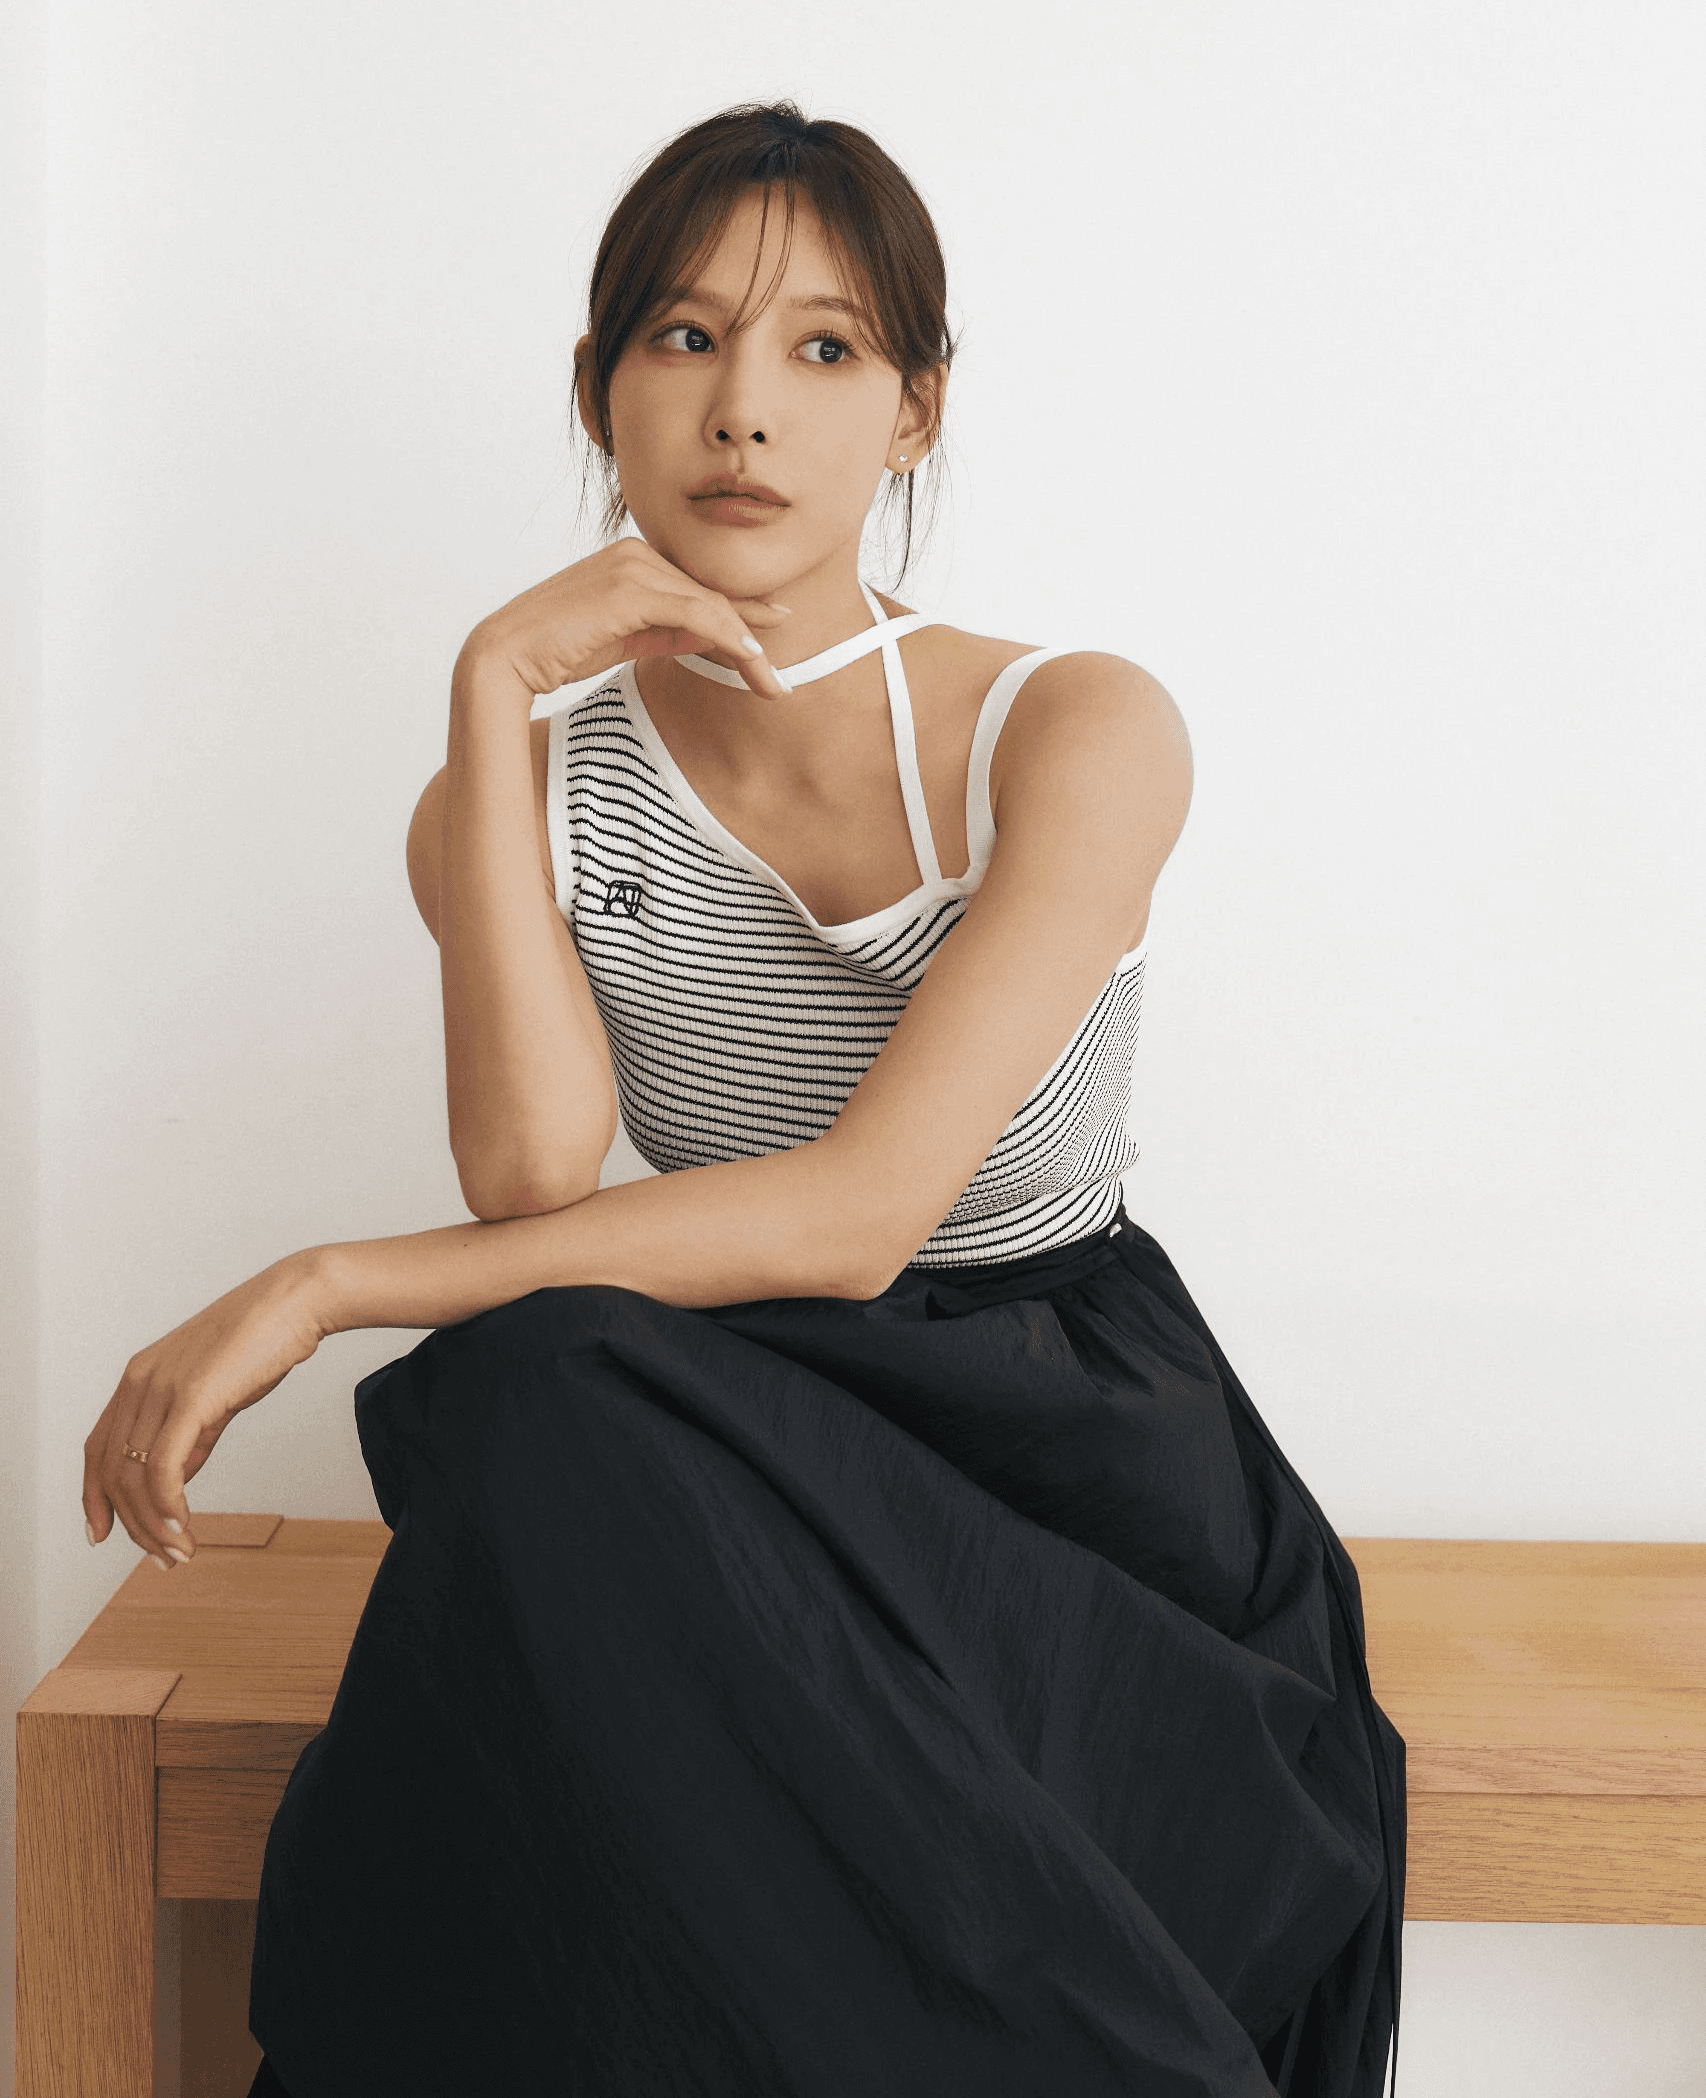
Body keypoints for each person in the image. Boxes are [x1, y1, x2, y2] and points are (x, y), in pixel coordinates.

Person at [80, 101, 1404, 2098]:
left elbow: (861, 1219)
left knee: (522, 1401)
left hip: (1069, 1463)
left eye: (823, 348)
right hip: (748, 1429)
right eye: (684, 338)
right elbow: (533, 1174)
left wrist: (320, 1279)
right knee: (532, 1377)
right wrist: (490, 695)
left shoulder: (1070, 725)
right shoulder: (515, 795)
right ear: (598, 394)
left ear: (914, 410)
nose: (744, 412)